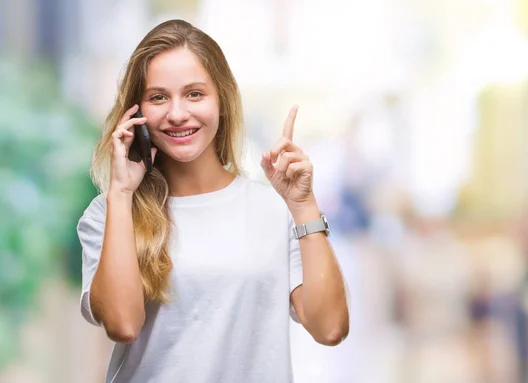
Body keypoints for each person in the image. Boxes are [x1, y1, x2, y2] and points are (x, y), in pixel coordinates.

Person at [76, 19, 349, 383]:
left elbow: (329, 328)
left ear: (222, 100)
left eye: (194, 94)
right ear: (136, 114)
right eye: (158, 97)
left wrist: (303, 205)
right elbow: (123, 325)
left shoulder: (275, 210)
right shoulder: (110, 213)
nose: (176, 113)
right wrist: (122, 194)